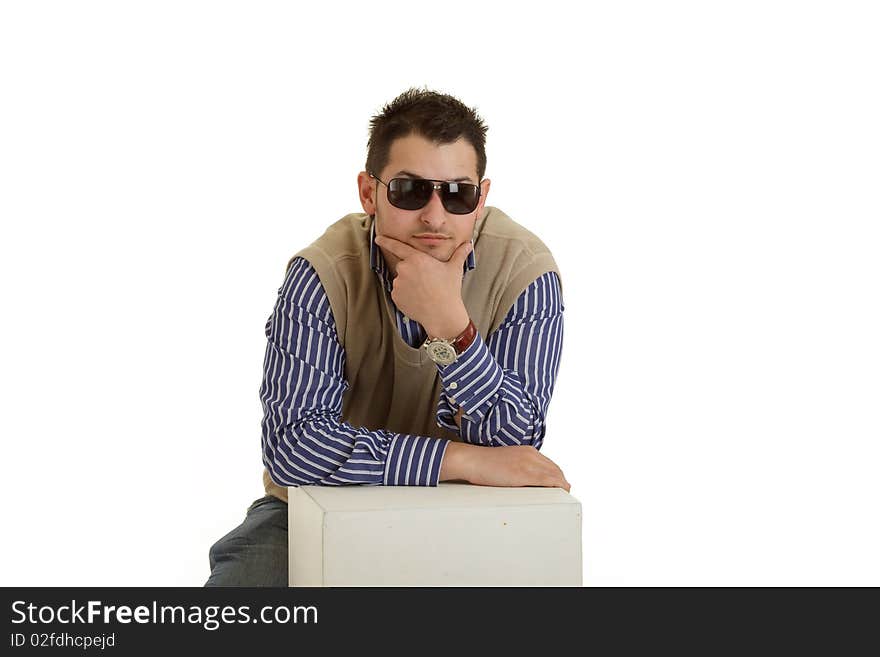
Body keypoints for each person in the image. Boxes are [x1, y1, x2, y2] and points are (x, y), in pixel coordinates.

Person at [205, 88, 569, 586]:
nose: (435, 217)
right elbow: (294, 447)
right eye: (409, 190)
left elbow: (514, 443)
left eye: (457, 193)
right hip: (316, 504)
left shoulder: (526, 272)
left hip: (475, 507)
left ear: (481, 199)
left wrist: (450, 326)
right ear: (368, 192)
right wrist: (459, 458)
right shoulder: (322, 272)